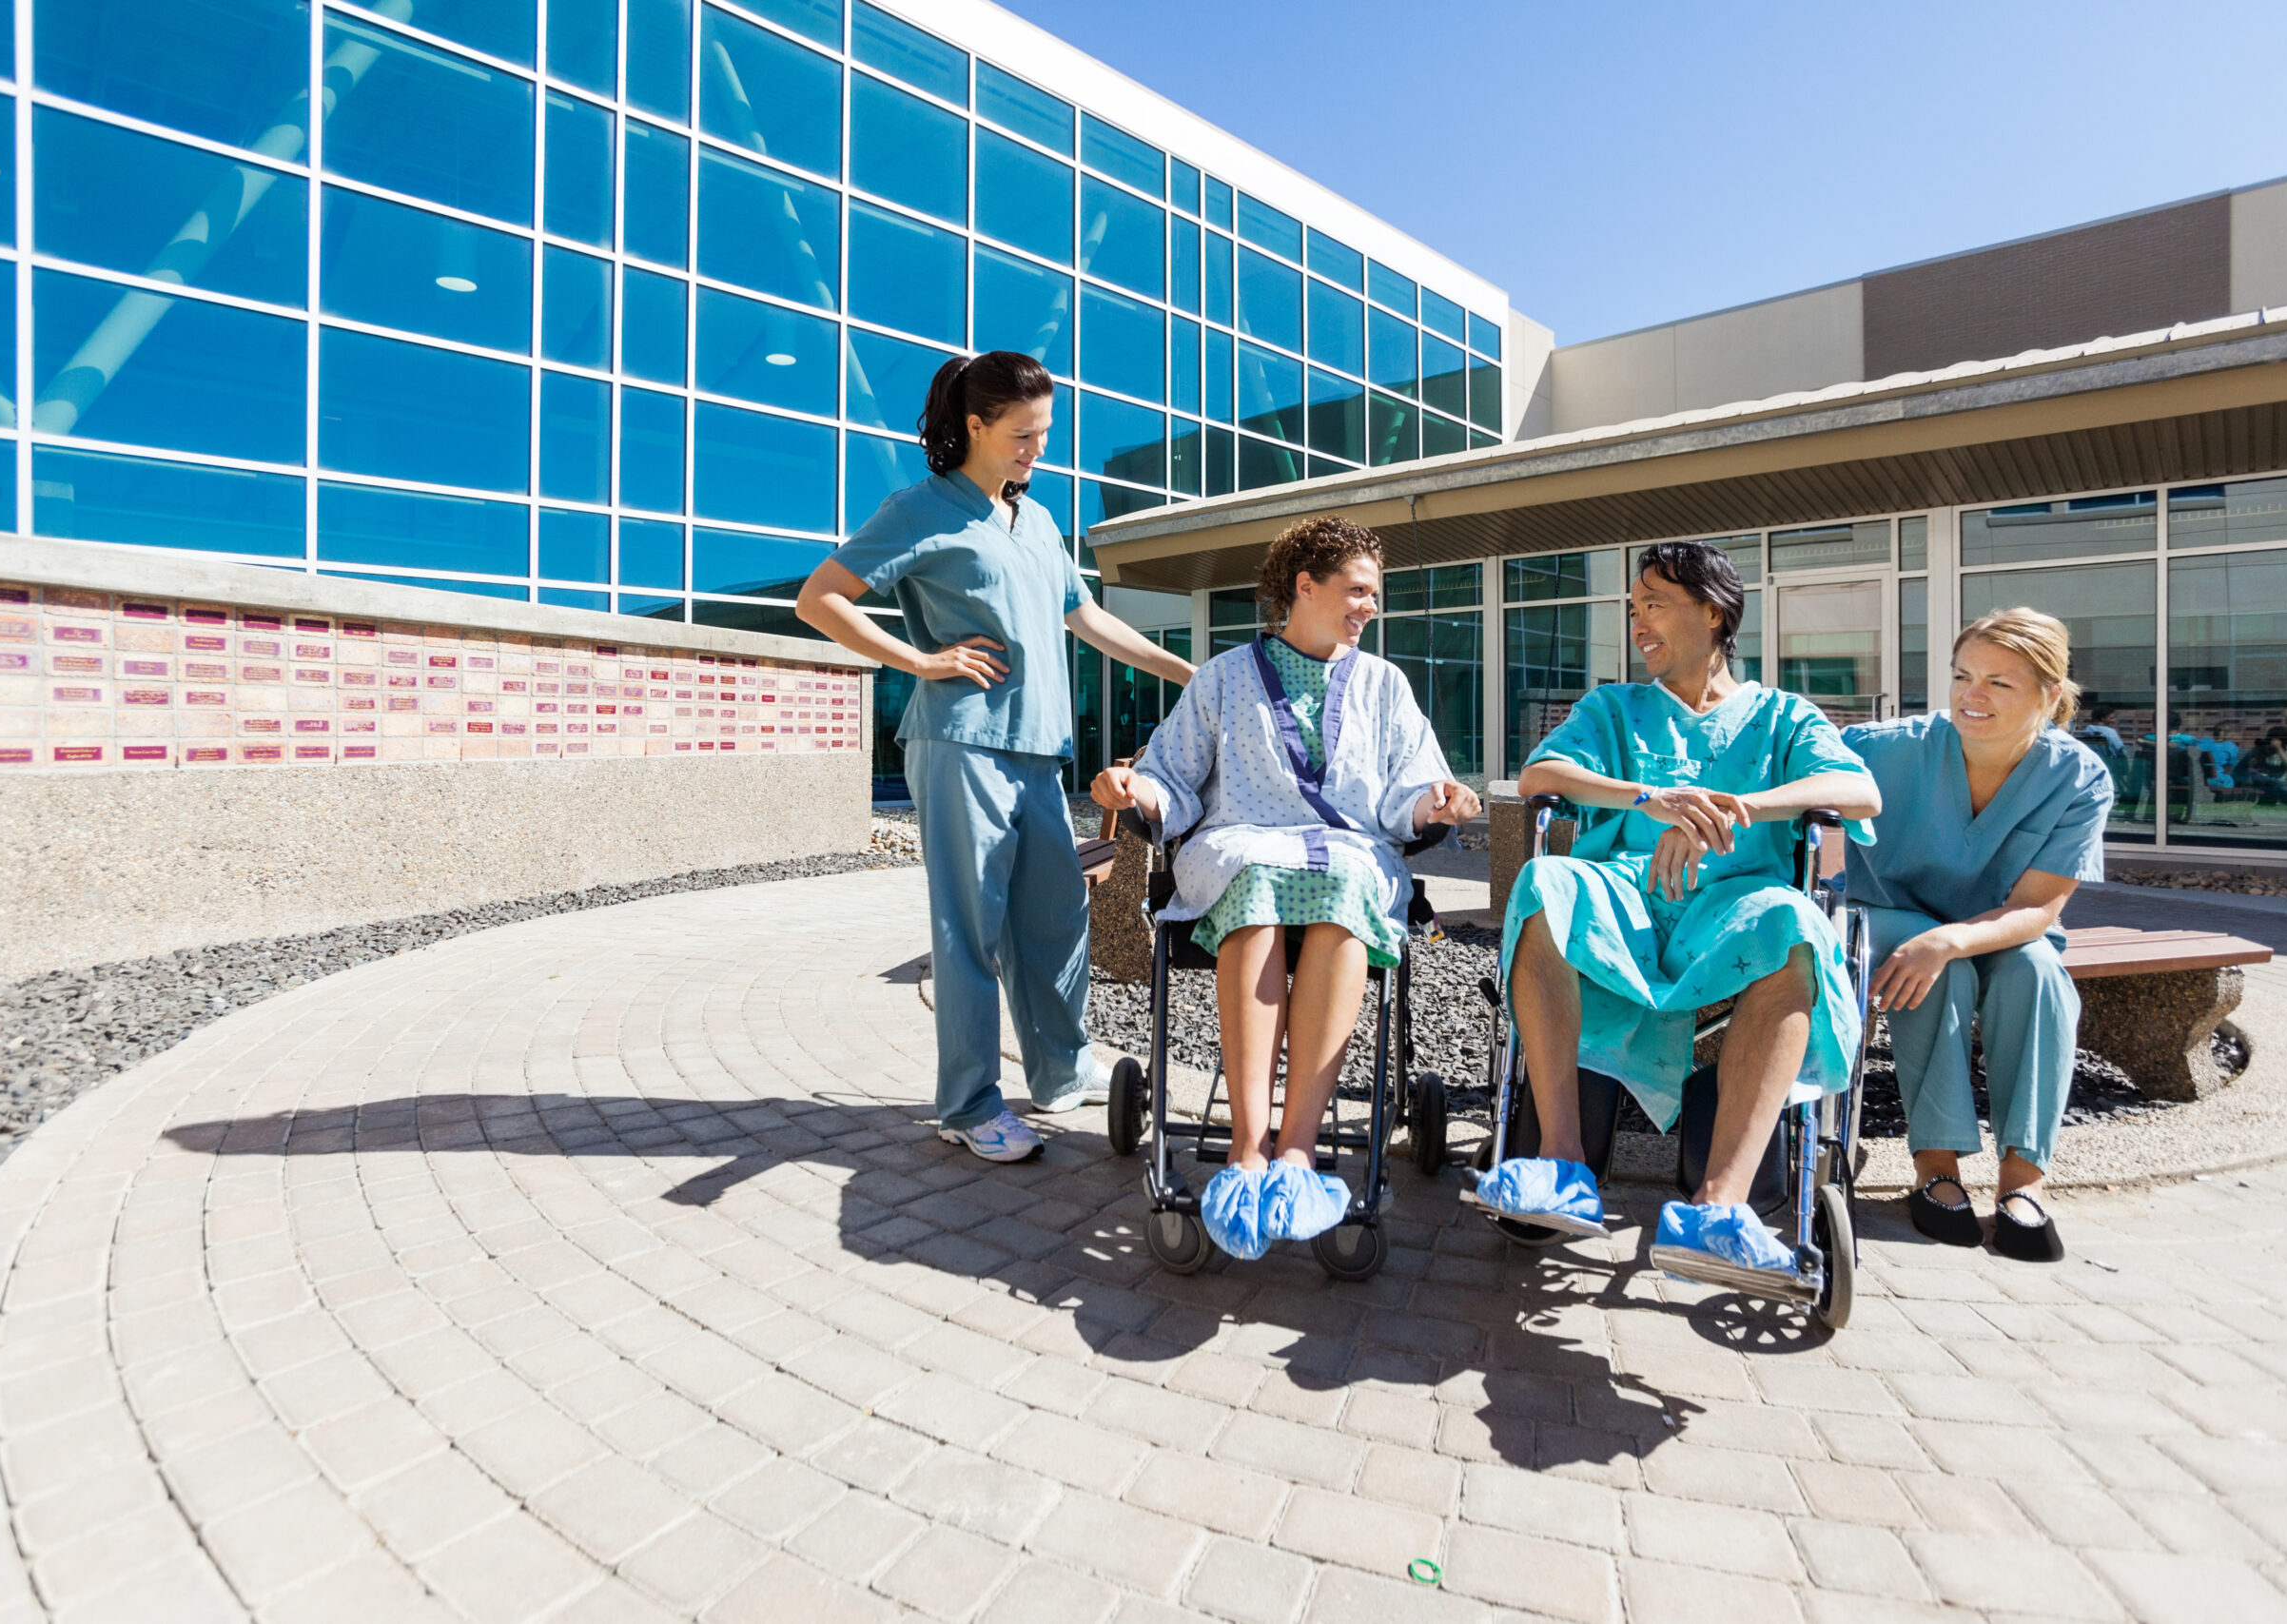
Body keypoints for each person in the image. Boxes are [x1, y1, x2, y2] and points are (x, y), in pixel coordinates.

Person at [796, 352, 1195, 1165]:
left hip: (1036, 752)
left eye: (1044, 433)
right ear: (974, 426)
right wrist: (920, 661)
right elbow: (819, 599)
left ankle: (1058, 1071)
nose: (1036, 449)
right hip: (962, 743)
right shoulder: (920, 510)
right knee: (968, 930)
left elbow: (1086, 620)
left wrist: (1193, 672)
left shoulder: (1039, 521)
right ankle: (969, 1104)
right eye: (1022, 434)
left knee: (1056, 919)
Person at [1484, 540, 1882, 1291]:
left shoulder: (1781, 716)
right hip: (1624, 896)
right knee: (1547, 881)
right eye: (1633, 606)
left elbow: (1860, 794)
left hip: (1733, 907)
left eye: (1655, 603)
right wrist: (1651, 798)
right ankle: (1563, 1164)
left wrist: (1740, 806)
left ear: (1715, 612)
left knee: (1791, 922)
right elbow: (1540, 775)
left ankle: (1720, 1209)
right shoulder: (1615, 708)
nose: (1637, 619)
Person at [1090, 517, 1477, 1260]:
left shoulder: (1384, 685)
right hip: (1241, 849)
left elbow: (1412, 788)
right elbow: (1172, 777)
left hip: (1348, 857)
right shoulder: (1223, 678)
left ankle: (1297, 1154)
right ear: (1305, 586)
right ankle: (1246, 1148)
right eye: (1357, 591)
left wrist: (1438, 803)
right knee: (1259, 879)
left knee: (1341, 882)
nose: (1369, 607)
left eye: (1375, 595)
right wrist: (1135, 787)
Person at [1842, 609, 2110, 1262]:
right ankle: (1936, 1169)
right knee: (1933, 967)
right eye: (1962, 676)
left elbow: (2039, 907)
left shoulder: (2077, 777)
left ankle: (2024, 1180)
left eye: (1998, 682)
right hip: (1892, 912)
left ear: (2050, 695)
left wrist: (1954, 938)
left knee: (2038, 974)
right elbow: (1790, 757)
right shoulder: (1888, 747)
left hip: (2000, 927)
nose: (1972, 695)